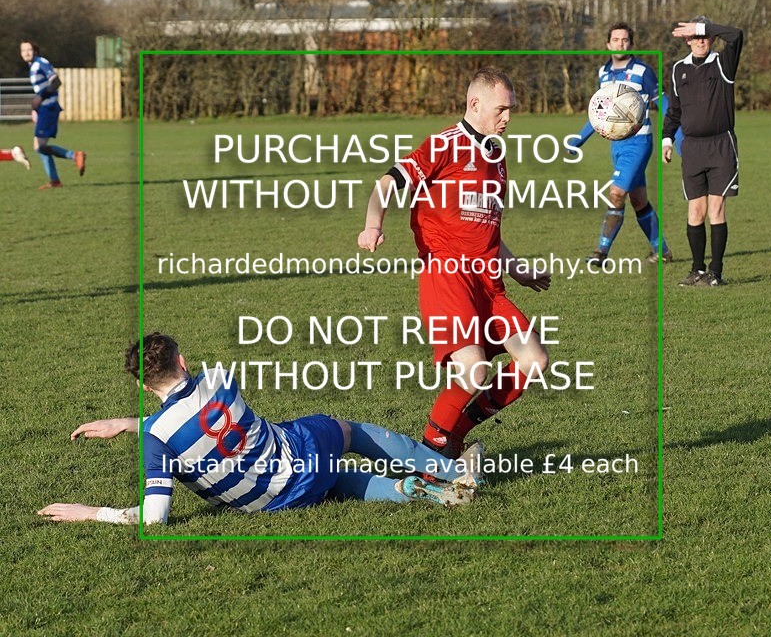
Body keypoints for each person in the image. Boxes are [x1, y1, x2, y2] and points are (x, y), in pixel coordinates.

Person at [37, 333, 482, 525]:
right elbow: (192, 411)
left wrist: (92, 512)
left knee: (332, 481)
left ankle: (419, 492)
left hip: (267, 506)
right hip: (299, 456)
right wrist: (133, 425)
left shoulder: (158, 440)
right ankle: (448, 471)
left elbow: (154, 517)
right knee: (346, 431)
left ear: (140, 384)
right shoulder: (216, 380)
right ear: (183, 362)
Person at [357, 67, 551, 460]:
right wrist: (372, 224)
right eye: (501, 109)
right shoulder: (445, 144)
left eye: (510, 109)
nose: (507, 118)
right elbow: (386, 184)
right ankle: (434, 448)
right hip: (447, 277)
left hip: (489, 284)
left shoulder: (496, 157)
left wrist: (518, 269)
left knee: (534, 360)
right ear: (475, 104)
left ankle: (450, 437)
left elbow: (487, 229)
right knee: (473, 371)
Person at [571, 22, 671, 266]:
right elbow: (600, 115)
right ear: (608, 44)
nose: (620, 43)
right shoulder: (603, 74)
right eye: (616, 39)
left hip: (639, 142)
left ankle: (601, 253)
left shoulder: (643, 71)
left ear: (631, 44)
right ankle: (663, 251)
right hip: (616, 145)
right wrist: (578, 139)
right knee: (638, 199)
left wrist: (674, 135)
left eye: (625, 40)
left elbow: (663, 103)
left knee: (616, 193)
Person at [662, 16, 744, 287]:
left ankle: (716, 272)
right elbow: (674, 110)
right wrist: (667, 140)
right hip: (692, 149)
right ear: (686, 40)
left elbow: (736, 34)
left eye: (704, 36)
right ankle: (697, 270)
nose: (700, 41)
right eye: (695, 36)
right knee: (695, 211)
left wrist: (703, 27)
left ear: (711, 38)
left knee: (716, 209)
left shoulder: (723, 64)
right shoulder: (677, 69)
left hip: (721, 145)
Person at [19, 40, 86, 190]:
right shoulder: (33, 65)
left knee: (40, 147)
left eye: (29, 50)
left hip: (48, 108)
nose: (26, 53)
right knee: (39, 146)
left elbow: (56, 82)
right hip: (44, 109)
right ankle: (55, 180)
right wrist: (36, 108)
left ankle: (74, 156)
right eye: (23, 51)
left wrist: (40, 99)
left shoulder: (41, 63)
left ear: (35, 50)